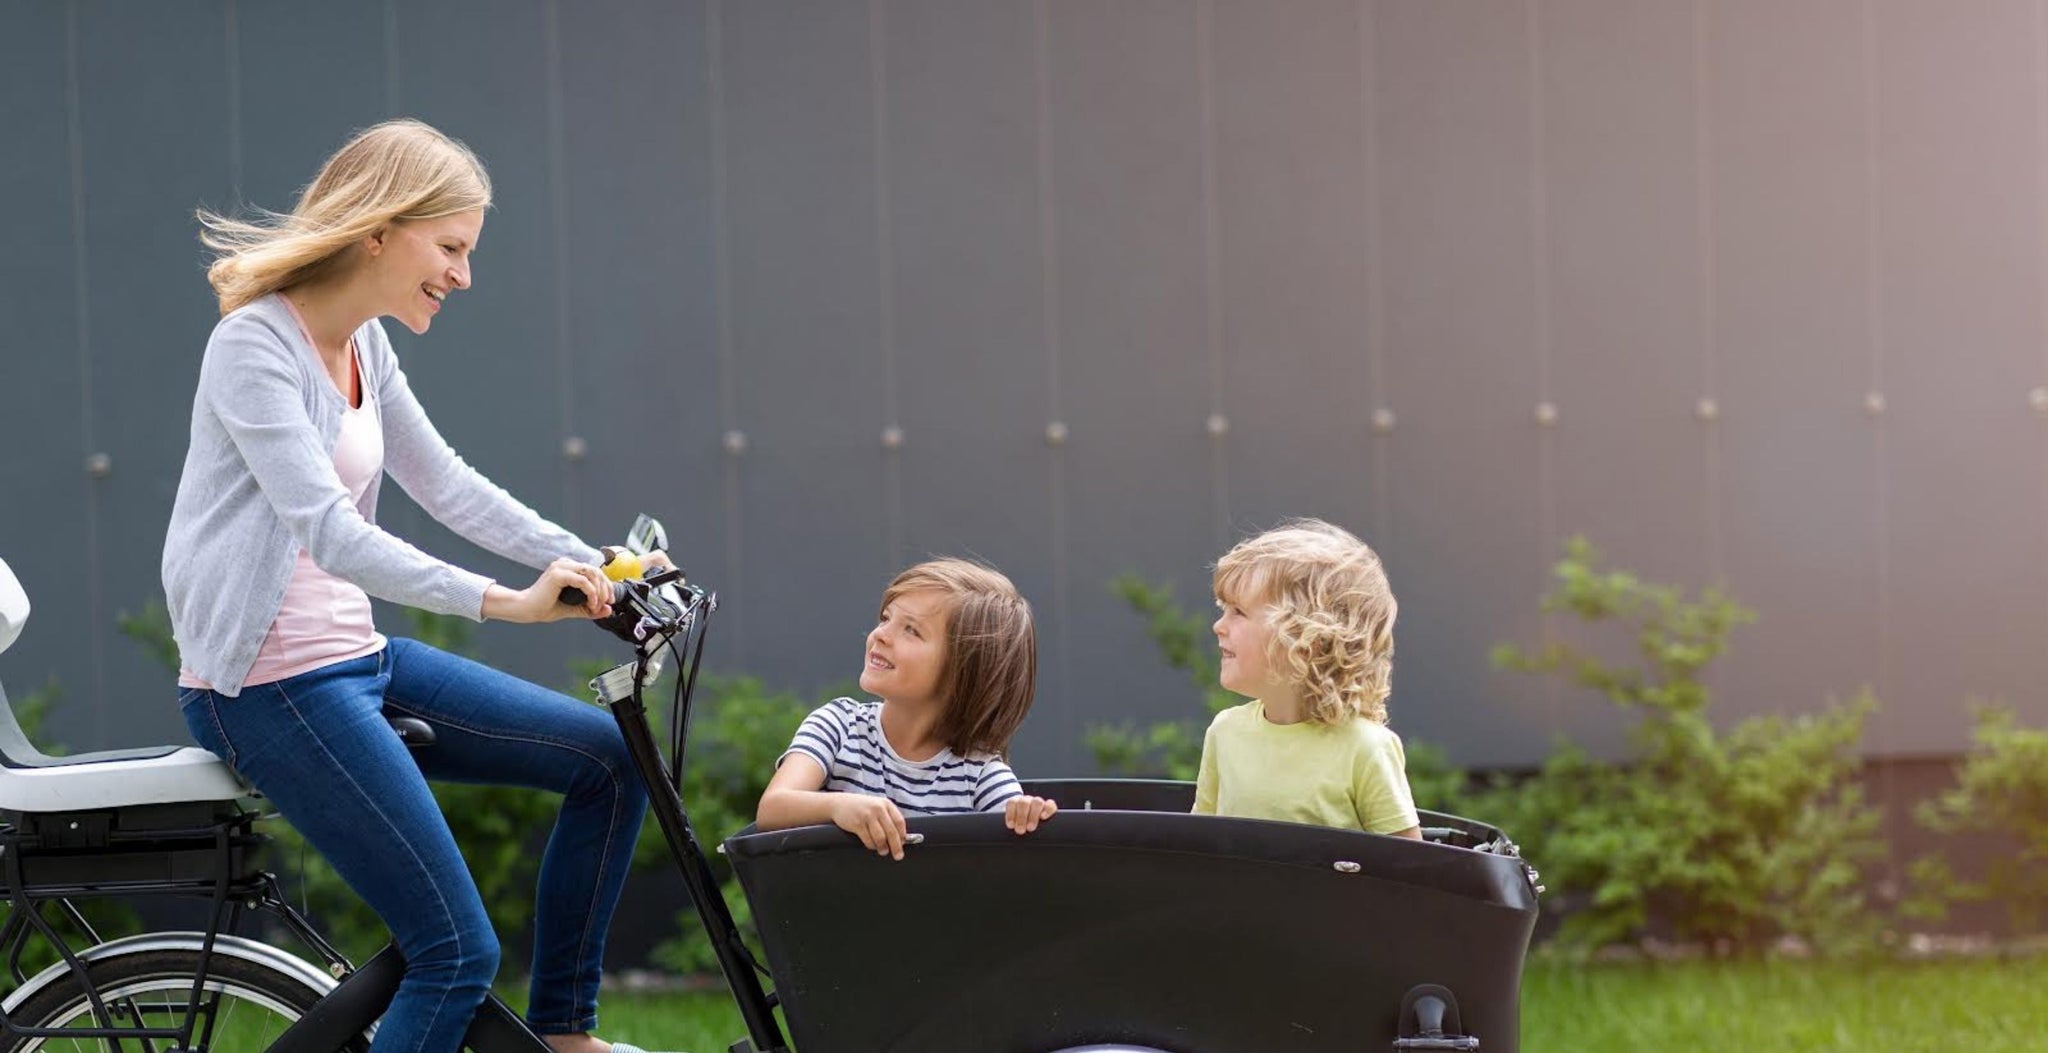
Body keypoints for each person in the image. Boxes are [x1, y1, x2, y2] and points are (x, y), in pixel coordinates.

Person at [165, 118, 663, 1053]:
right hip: (269, 689)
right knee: (453, 951)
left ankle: (562, 1032)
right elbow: (332, 532)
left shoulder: (365, 345)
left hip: (356, 660)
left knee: (610, 759)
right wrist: (505, 602)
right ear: (378, 231)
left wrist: (597, 562)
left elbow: (449, 484)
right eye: (451, 248)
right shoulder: (253, 349)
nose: (463, 275)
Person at [756, 558, 1058, 859]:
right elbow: (772, 808)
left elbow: (1023, 860)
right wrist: (839, 806)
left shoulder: (979, 773)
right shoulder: (837, 725)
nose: (880, 634)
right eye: (886, 618)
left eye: (911, 630)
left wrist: (1026, 817)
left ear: (963, 671)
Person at [1193, 519, 1421, 838]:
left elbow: (1408, 873)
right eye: (1223, 609)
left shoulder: (1366, 748)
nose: (1218, 625)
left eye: (1238, 612)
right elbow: (1200, 846)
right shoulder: (1225, 732)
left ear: (1306, 639)